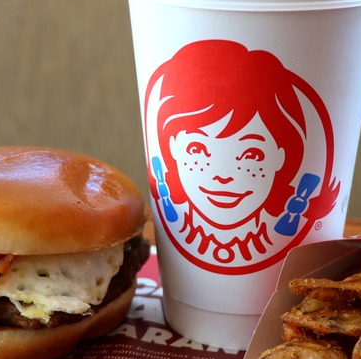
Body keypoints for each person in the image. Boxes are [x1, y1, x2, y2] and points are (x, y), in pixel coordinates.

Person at [144, 40, 340, 275]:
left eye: (251, 154)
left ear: (281, 157)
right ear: (173, 148)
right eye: (198, 149)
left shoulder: (292, 214)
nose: (223, 176)